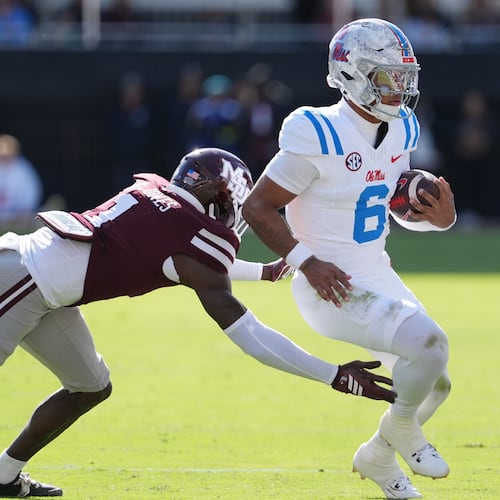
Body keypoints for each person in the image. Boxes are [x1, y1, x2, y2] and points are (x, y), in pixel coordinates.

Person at [0, 147, 396, 497]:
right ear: (216, 196)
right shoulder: (186, 239)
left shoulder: (156, 199)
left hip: (43, 290)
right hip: (19, 280)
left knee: (90, 386)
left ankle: (4, 475)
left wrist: (261, 272)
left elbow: (183, 261)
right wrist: (333, 374)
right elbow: (250, 335)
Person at [242, 18, 457, 499]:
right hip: (330, 284)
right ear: (354, 74)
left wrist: (440, 217)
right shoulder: (317, 130)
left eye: (403, 76)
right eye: (387, 76)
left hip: (376, 271)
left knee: (435, 381)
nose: (399, 88)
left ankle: (378, 456)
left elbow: (391, 208)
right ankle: (401, 430)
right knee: (430, 343)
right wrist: (307, 262)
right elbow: (256, 207)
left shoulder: (402, 128)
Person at [0, 134, 43, 220]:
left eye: (8, 155)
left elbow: (32, 193)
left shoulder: (24, 169)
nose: (5, 158)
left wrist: (26, 209)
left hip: (17, 217)